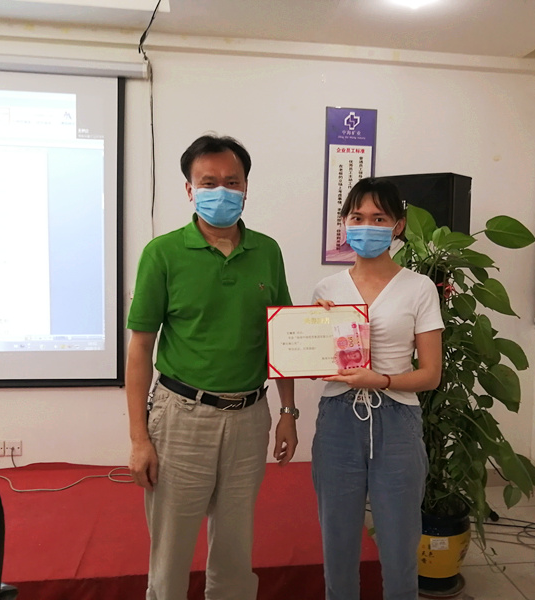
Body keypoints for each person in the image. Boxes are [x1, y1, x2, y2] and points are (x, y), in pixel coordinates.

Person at [126, 134, 298, 600]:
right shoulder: (162, 253)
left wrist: (288, 412)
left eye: (232, 181)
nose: (221, 191)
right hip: (181, 418)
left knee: (236, 553)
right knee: (171, 555)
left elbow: (282, 337)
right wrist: (139, 438)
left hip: (250, 417)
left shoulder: (267, 251)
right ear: (189, 189)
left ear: (246, 188)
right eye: (208, 182)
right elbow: (140, 348)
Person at [312, 177, 443, 600]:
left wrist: (381, 380)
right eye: (357, 217)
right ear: (345, 223)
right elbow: (315, 363)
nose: (366, 226)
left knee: (400, 541)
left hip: (397, 419)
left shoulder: (419, 288)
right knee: (337, 541)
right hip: (338, 419)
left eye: (378, 218)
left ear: (398, 226)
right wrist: (315, 327)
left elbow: (431, 375)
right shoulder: (327, 290)